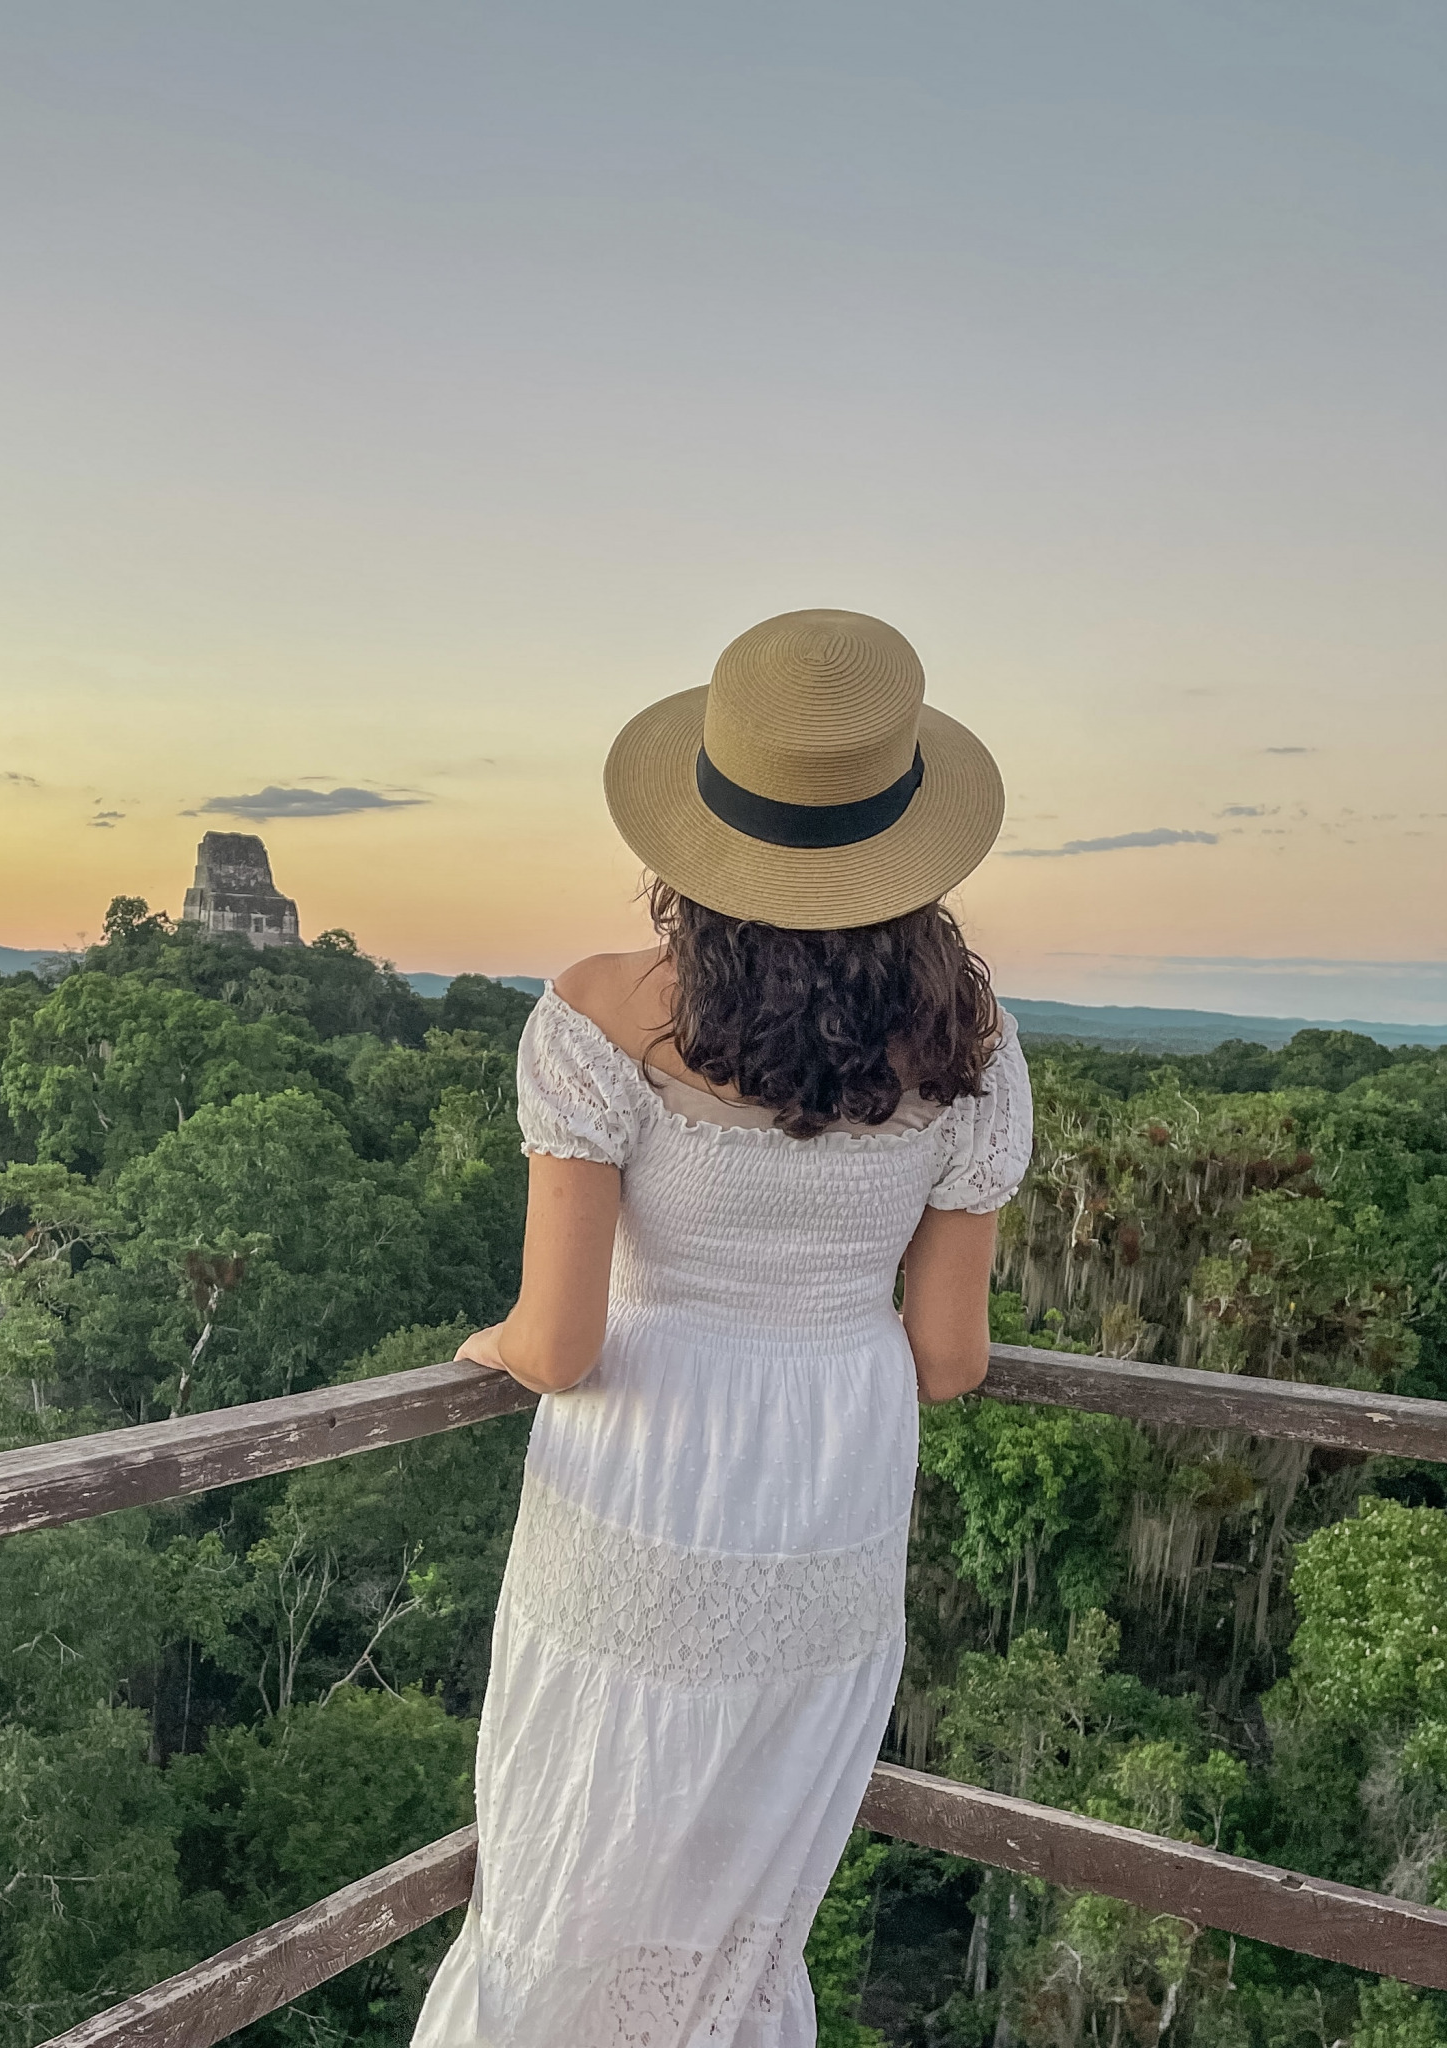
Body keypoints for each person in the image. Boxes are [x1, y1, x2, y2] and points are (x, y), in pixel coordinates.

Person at [411, 609, 1033, 2048]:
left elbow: (559, 1345)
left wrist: (496, 1346)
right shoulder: (977, 1043)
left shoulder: (597, 1013)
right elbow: (951, 1359)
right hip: (832, 1480)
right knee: (742, 1892)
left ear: (700, 829)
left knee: (577, 1855)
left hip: (649, 1458)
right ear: (911, 836)